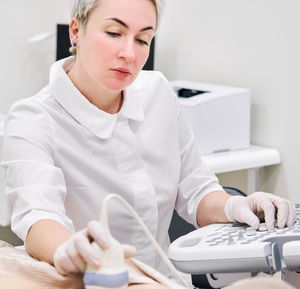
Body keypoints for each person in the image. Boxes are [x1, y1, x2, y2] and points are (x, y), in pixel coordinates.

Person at [1, 0, 296, 288]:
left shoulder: (158, 93)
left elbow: (198, 191)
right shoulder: (33, 119)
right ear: (76, 32)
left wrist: (236, 205)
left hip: (163, 279)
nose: (129, 53)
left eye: (143, 39)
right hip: (96, 281)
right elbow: (39, 220)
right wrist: (71, 249)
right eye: (114, 33)